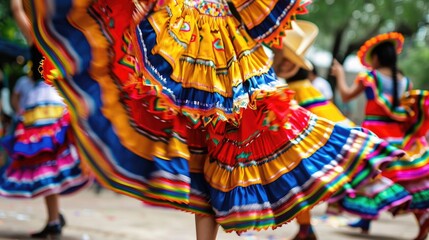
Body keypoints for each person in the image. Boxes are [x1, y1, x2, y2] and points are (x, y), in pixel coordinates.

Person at [27, 1, 408, 239]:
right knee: (204, 163)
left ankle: (372, 157)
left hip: (217, 51)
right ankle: (372, 158)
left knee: (272, 137)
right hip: (189, 41)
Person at [271, 20, 411, 240]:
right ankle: (307, 228)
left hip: (361, 133)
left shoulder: (299, 92)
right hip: (394, 132)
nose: (275, 61)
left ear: (289, 64)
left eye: (279, 57)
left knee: (298, 180)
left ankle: (306, 229)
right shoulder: (404, 81)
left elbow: (330, 115)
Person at [0, 0, 91, 238]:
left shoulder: (46, 37)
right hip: (50, 105)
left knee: (46, 165)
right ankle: (54, 218)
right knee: (47, 165)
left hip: (48, 107)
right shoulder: (62, 37)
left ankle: (54, 219)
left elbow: (17, 9)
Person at [331, 32, 429, 240]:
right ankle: (373, 219)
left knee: (366, 174)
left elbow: (347, 94)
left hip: (375, 136)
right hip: (398, 137)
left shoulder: (370, 77)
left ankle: (369, 217)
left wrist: (339, 74)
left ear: (375, 58)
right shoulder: (405, 82)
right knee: (405, 181)